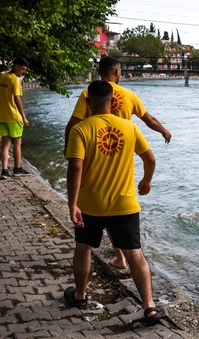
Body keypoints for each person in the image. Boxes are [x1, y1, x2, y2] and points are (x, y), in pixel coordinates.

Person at [65, 80, 165, 325]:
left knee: (84, 248)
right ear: (113, 101)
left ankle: (79, 296)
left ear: (88, 102)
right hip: (125, 204)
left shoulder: (81, 130)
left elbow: (75, 167)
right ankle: (150, 307)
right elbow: (150, 159)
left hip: (91, 204)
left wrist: (72, 203)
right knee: (135, 254)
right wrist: (146, 181)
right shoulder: (129, 127)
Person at [64, 56, 172, 270]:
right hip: (121, 152)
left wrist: (70, 149)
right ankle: (123, 257)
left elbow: (74, 123)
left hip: (93, 153)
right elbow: (149, 120)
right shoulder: (129, 95)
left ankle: (113, 260)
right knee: (117, 206)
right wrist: (164, 131)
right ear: (117, 71)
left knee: (95, 210)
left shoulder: (88, 93)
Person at [0, 58, 30, 179]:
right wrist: (24, 117)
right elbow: (17, 99)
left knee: (5, 144)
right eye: (23, 69)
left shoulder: (0, 78)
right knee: (17, 143)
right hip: (14, 116)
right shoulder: (15, 80)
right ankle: (17, 168)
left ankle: (4, 170)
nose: (23, 72)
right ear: (16, 66)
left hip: (2, 116)